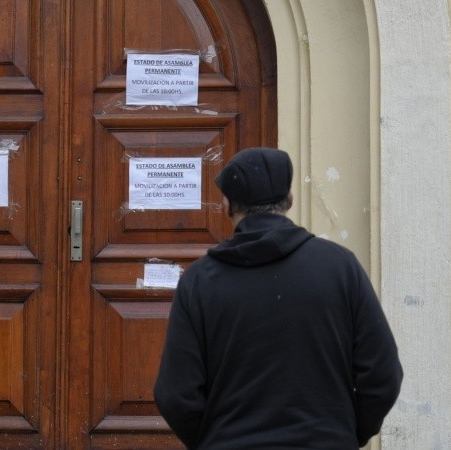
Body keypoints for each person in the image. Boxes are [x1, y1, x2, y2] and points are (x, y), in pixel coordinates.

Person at [154, 147, 402, 449]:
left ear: (227, 205)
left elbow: (175, 395)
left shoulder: (199, 282)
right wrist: (346, 433)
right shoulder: (340, 267)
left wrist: (214, 440)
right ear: (290, 199)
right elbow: (382, 375)